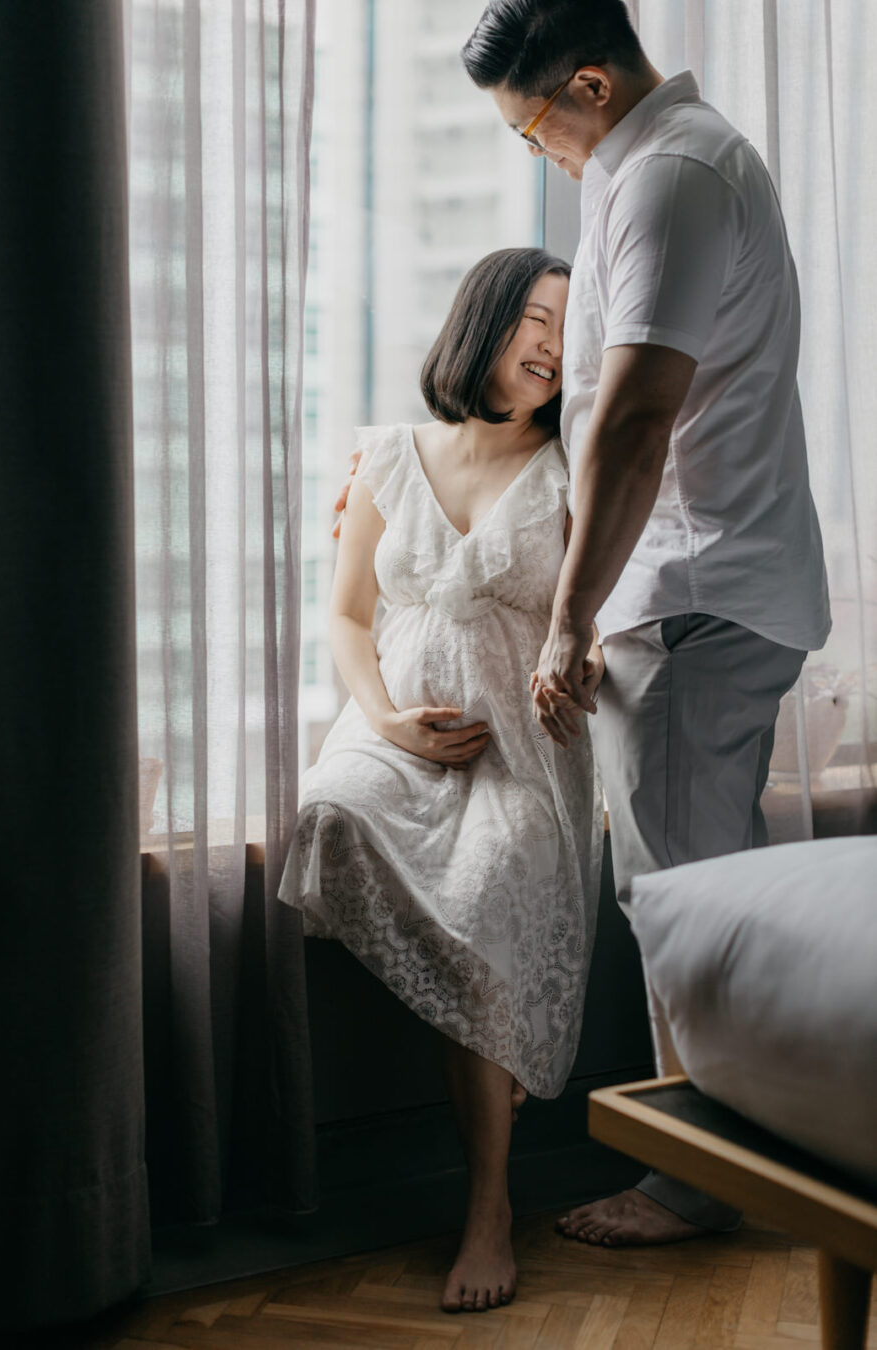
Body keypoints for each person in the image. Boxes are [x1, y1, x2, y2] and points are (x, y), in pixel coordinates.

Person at [460, 0, 831, 1248]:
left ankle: (700, 1180)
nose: (537, 153)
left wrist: (569, 621)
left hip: (687, 596)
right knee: (707, 890)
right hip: (704, 589)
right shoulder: (676, 160)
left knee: (684, 902)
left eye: (532, 129)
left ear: (589, 87)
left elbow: (633, 416)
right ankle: (745, 1155)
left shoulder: (669, 170)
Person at [280, 247, 605, 1312]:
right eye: (539, 321)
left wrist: (581, 663)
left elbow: (596, 623)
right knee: (327, 810)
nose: (555, 347)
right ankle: (495, 1038)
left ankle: (489, 1208)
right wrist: (385, 722)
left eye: (572, 328)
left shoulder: (577, 471)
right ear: (488, 320)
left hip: (520, 750)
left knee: (480, 907)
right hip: (396, 729)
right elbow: (345, 614)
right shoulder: (389, 453)